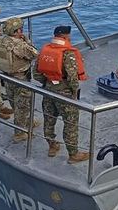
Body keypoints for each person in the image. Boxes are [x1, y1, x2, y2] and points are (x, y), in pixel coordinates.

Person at [34, 26, 90, 163]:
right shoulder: (67, 53)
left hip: (48, 90)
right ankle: (73, 154)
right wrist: (74, 91)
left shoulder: (44, 50)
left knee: (49, 119)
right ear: (65, 37)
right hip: (64, 93)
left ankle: (52, 146)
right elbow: (72, 77)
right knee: (70, 123)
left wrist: (47, 83)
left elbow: (36, 73)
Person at [0, 17, 38, 143]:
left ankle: (27, 121)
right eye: (20, 29)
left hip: (7, 76)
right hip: (21, 78)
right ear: (17, 31)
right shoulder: (19, 44)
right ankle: (19, 133)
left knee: (14, 101)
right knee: (23, 105)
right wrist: (27, 41)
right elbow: (34, 54)